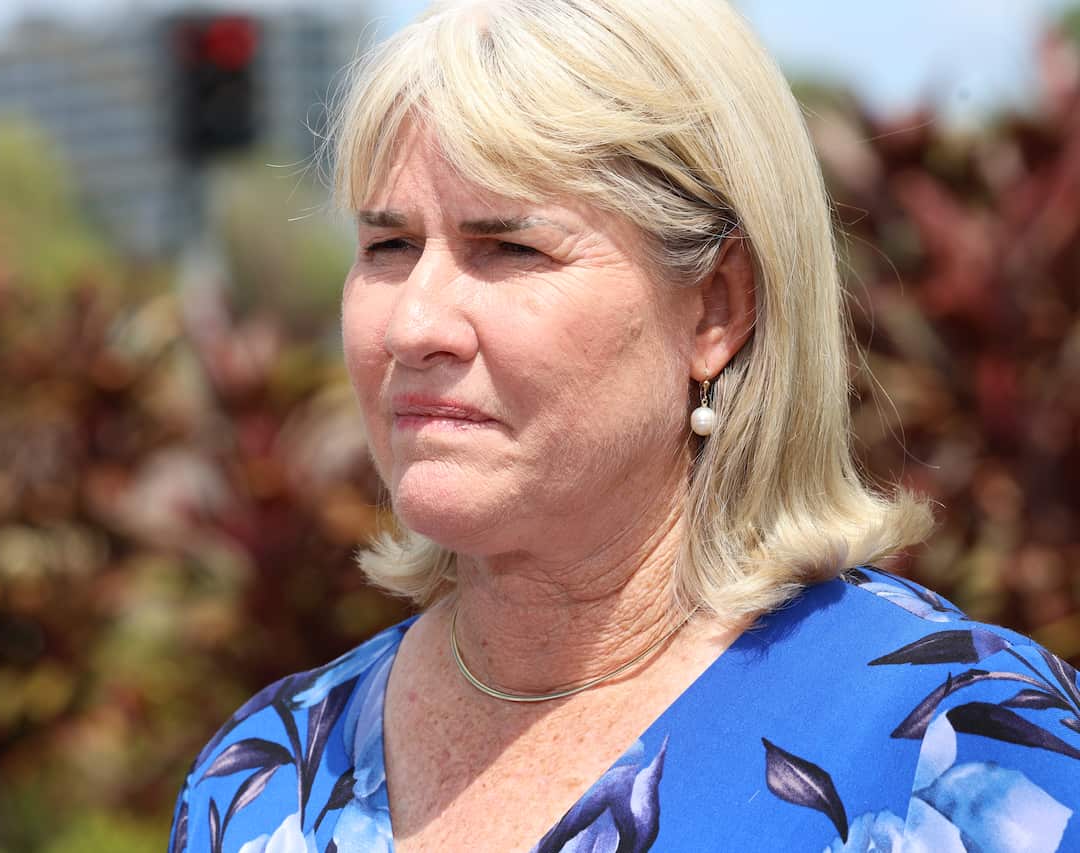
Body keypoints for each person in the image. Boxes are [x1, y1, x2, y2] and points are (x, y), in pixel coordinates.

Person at [168, 1, 1080, 850]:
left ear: (716, 309)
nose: (413, 324)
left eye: (509, 247)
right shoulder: (258, 778)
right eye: (388, 246)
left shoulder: (963, 746)